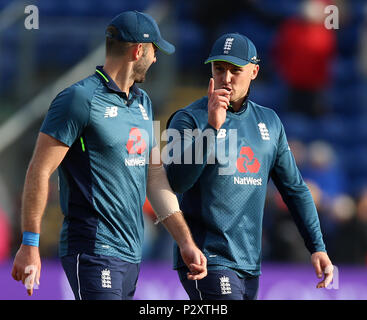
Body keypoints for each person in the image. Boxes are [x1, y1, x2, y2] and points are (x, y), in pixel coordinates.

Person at [11, 10, 207, 300]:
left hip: (130, 254)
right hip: (92, 250)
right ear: (139, 50)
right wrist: (30, 243)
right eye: (154, 51)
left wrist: (184, 240)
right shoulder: (79, 99)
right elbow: (39, 170)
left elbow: (154, 176)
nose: (155, 59)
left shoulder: (144, 103)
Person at [165, 32, 333, 300]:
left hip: (249, 262)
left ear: (254, 71)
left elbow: (295, 189)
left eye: (236, 70)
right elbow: (176, 183)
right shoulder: (186, 119)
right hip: (206, 258)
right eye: (219, 69)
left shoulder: (270, 122)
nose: (226, 78)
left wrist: (317, 247)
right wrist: (211, 128)